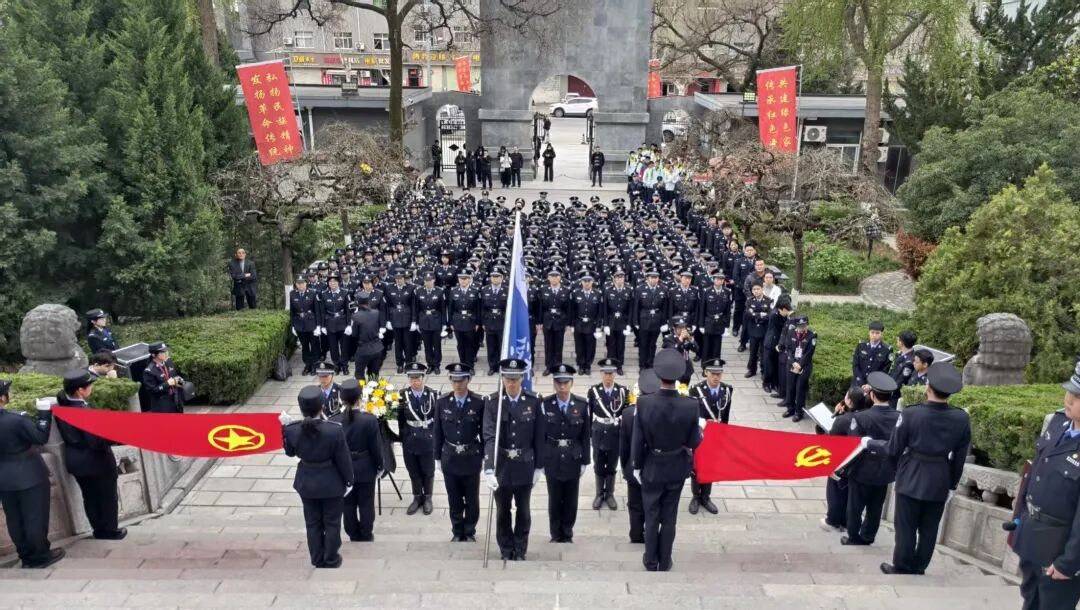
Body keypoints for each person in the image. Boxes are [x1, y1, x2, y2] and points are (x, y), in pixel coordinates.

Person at [866, 362, 970, 575]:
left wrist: (870, 443)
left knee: (906, 525)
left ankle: (902, 565)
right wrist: (952, 484)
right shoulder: (961, 418)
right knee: (929, 527)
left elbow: (893, 449)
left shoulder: (911, 414)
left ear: (928, 388)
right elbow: (959, 457)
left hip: (912, 473)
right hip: (940, 476)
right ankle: (920, 566)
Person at [1012, 358, 1080, 609]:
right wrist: (1019, 520)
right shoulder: (1058, 422)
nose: (1069, 399)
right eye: (1070, 391)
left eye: (1077, 396)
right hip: (1032, 538)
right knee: (1029, 600)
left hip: (1059, 550)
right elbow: (1034, 475)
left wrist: (1069, 562)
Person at [630, 349, 703, 571]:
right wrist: (700, 430)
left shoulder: (644, 403)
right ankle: (665, 561)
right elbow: (693, 442)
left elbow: (638, 440)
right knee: (670, 516)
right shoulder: (691, 405)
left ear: (658, 376)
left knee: (651, 515)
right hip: (676, 467)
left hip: (652, 465)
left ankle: (650, 560)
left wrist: (637, 466)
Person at [280, 386, 354, 568]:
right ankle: (331, 558)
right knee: (332, 522)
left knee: (312, 523)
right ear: (322, 407)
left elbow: (290, 452)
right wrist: (349, 480)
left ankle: (316, 558)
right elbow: (343, 459)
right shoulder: (334, 430)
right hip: (331, 482)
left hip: (307, 481)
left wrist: (285, 428)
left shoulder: (293, 430)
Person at [483, 357, 544, 561]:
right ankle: (506, 548)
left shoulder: (534, 401)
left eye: (515, 379)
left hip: (524, 464)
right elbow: (489, 436)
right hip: (502, 464)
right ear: (502, 379)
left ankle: (520, 548)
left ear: (522, 378)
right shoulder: (493, 402)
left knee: (523, 511)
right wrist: (489, 467)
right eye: (508, 379)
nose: (511, 383)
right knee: (503, 511)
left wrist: (539, 467)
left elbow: (539, 435)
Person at [0, 379, 65, 568]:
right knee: (34, 517)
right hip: (29, 475)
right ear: (3, 398)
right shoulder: (17, 419)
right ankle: (40, 556)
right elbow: (40, 437)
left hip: (3, 479)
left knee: (15, 519)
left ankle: (25, 556)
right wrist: (44, 414)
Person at [55, 370, 126, 541]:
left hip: (78, 462)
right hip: (97, 462)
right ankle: (110, 531)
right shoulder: (82, 410)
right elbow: (95, 441)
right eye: (90, 386)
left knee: (90, 498)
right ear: (80, 390)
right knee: (107, 497)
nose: (92, 388)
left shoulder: (63, 407)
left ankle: (98, 530)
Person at [843, 372, 901, 547]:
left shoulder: (861, 417)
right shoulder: (899, 417)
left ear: (872, 395)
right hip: (885, 469)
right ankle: (868, 536)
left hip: (862, 469)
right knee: (876, 506)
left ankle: (853, 536)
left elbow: (852, 445)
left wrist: (845, 469)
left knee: (855, 506)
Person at [434, 363, 485, 542]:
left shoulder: (478, 402)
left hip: (471, 457)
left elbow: (484, 432)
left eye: (461, 380)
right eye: (454, 380)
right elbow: (437, 431)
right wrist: (437, 457)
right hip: (450, 457)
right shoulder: (442, 402)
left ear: (468, 380)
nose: (457, 385)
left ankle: (469, 530)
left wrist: (485, 456)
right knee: (454, 498)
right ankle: (457, 531)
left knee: (472, 499)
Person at [330, 379, 383, 542]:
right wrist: (380, 466)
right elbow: (376, 447)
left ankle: (353, 533)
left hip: (344, 468)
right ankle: (366, 533)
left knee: (348, 504)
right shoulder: (369, 420)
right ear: (360, 398)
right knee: (366, 503)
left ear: (342, 400)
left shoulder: (335, 420)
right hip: (365, 466)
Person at [541, 364, 590, 543]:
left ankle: (567, 532)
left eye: (565, 382)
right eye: (559, 382)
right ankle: (555, 533)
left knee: (571, 499)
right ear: (554, 383)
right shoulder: (545, 404)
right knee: (554, 499)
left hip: (573, 456)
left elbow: (585, 435)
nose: (562, 386)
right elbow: (541, 435)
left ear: (571, 383)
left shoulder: (582, 405)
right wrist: (541, 460)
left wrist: (585, 460)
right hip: (552, 457)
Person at [821, 387, 871, 534]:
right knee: (852, 495)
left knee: (836, 492)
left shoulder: (843, 420)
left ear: (849, 401)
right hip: (860, 464)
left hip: (842, 463)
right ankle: (848, 521)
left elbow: (831, 438)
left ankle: (833, 520)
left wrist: (837, 415)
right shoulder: (867, 417)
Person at [686, 358, 731, 515]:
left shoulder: (727, 390)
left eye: (719, 374)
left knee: (710, 465)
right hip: (700, 434)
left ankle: (706, 497)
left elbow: (725, 415)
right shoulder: (696, 390)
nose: (716, 377)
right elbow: (691, 415)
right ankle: (696, 496)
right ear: (706, 373)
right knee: (696, 466)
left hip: (716, 436)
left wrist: (724, 433)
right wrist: (704, 422)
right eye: (713, 374)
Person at [621, 369, 658, 544]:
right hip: (655, 467)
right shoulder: (662, 413)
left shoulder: (628, 413)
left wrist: (625, 466)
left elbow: (624, 447)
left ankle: (636, 535)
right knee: (652, 505)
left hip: (634, 464)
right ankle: (650, 536)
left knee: (635, 504)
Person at [588, 359, 629, 510]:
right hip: (599, 432)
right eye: (605, 373)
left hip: (615, 433)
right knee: (598, 464)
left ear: (615, 374)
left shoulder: (623, 391)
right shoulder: (594, 391)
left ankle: (610, 494)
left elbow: (626, 414)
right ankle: (599, 494)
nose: (608, 377)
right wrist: (589, 434)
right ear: (601, 374)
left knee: (612, 465)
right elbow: (589, 414)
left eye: (611, 373)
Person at [399, 363, 438, 516]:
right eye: (412, 378)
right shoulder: (403, 395)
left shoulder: (433, 395)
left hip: (427, 437)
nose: (415, 382)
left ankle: (428, 497)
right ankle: (417, 497)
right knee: (413, 470)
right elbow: (400, 419)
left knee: (428, 470)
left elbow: (436, 419)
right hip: (410, 438)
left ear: (423, 378)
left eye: (418, 378)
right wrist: (403, 436)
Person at [632, 270, 668, 369]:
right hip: (644, 320)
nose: (654, 279)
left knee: (652, 344)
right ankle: (642, 364)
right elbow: (636, 306)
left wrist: (664, 322)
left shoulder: (663, 289)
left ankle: (650, 363)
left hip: (656, 320)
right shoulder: (640, 289)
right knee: (643, 344)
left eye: (656, 277)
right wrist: (635, 321)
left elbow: (664, 307)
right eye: (652, 277)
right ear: (647, 278)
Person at [782, 316, 815, 423]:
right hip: (792, 364)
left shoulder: (811, 336)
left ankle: (798, 412)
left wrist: (800, 364)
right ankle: (790, 408)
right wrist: (793, 362)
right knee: (790, 387)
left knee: (800, 389)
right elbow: (788, 349)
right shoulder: (791, 332)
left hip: (804, 366)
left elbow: (808, 353)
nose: (802, 328)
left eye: (804, 326)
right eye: (800, 326)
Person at [318, 274, 351, 375]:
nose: (332, 283)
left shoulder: (345, 293)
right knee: (333, 346)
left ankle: (344, 365)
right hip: (330, 323)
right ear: (328, 283)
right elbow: (322, 312)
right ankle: (336, 365)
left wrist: (349, 324)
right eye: (330, 281)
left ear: (338, 282)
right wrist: (322, 326)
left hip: (342, 322)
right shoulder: (324, 294)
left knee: (344, 346)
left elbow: (348, 310)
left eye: (335, 281)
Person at [384, 270, 416, 375]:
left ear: (404, 278)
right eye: (397, 278)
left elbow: (413, 305)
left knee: (408, 343)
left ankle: (409, 363)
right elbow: (387, 305)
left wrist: (413, 321)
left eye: (400, 278)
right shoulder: (389, 288)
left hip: (406, 318)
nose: (398, 280)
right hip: (395, 318)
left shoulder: (411, 288)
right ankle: (399, 364)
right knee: (397, 344)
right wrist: (388, 320)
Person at [448, 271, 482, 369]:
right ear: (458, 279)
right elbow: (450, 308)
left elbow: (478, 308)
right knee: (460, 345)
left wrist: (477, 322)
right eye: (461, 279)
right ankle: (462, 364)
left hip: (470, 321)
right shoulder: (454, 291)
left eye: (465, 278)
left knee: (470, 345)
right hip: (457, 321)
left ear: (469, 279)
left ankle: (470, 366)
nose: (463, 281)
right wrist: (450, 323)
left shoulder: (475, 291)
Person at [414, 272, 446, 374]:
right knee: (427, 345)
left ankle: (436, 365)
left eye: (430, 280)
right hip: (424, 321)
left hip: (436, 320)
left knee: (437, 345)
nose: (428, 282)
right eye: (426, 281)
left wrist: (444, 324)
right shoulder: (419, 291)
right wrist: (416, 322)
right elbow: (416, 308)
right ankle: (430, 365)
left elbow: (443, 309)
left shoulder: (439, 291)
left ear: (434, 280)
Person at [570, 273, 603, 375]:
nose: (587, 283)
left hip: (591, 324)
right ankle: (581, 365)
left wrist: (598, 326)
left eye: (589, 281)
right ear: (581, 282)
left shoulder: (597, 294)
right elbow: (572, 310)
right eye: (585, 281)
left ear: (592, 282)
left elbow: (600, 312)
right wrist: (572, 324)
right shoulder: (576, 293)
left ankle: (588, 365)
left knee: (590, 346)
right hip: (579, 323)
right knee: (579, 346)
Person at [539, 270, 570, 375]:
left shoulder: (565, 290)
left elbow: (568, 308)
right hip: (547, 321)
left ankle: (557, 366)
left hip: (560, 321)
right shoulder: (543, 289)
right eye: (552, 276)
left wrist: (567, 323)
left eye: (556, 276)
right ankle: (548, 366)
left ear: (560, 278)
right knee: (548, 346)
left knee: (558, 346)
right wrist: (540, 322)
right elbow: (541, 307)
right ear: (548, 278)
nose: (554, 278)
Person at [348, 291, 385, 381]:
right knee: (374, 374)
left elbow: (354, 334)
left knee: (359, 374)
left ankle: (362, 389)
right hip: (377, 347)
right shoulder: (376, 312)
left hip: (363, 349)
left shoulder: (356, 316)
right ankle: (373, 389)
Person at [601, 270, 633, 373]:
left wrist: (629, 324)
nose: (620, 279)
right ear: (614, 279)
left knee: (621, 345)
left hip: (622, 322)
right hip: (611, 321)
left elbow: (630, 309)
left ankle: (619, 365)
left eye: (622, 277)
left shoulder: (628, 290)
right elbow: (605, 309)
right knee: (611, 345)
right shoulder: (608, 290)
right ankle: (611, 364)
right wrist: (605, 324)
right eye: (618, 277)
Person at [698, 272, 731, 364]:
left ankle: (715, 364)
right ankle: (705, 365)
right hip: (709, 321)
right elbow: (702, 309)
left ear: (723, 281)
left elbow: (728, 310)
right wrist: (701, 325)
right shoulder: (707, 291)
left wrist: (727, 325)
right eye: (717, 279)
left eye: (721, 279)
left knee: (717, 345)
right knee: (706, 346)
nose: (719, 281)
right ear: (713, 280)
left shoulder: (727, 292)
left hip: (720, 321)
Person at [763, 295, 793, 394]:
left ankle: (774, 382)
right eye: (785, 309)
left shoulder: (782, 314)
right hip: (771, 343)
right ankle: (766, 383)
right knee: (768, 364)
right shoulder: (774, 314)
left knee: (776, 364)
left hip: (779, 343)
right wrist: (789, 318)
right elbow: (784, 326)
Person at [290, 275, 320, 375]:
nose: (300, 285)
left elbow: (317, 310)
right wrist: (293, 325)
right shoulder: (292, 294)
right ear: (296, 284)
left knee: (314, 345)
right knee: (305, 346)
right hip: (299, 324)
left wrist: (318, 326)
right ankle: (307, 365)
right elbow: (292, 311)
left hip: (311, 324)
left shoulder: (312, 293)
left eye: (302, 283)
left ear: (306, 283)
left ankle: (315, 365)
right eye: (298, 283)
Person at [480, 269, 508, 376]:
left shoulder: (506, 290)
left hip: (501, 321)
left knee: (501, 345)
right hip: (489, 321)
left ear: (501, 278)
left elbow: (508, 307)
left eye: (497, 277)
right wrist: (483, 322)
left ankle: (501, 366)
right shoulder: (485, 290)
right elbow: (482, 308)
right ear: (490, 278)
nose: (495, 279)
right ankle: (492, 366)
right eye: (493, 277)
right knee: (491, 346)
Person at [852, 320, 892, 392]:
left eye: (877, 333)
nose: (874, 335)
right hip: (858, 383)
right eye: (872, 332)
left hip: (874, 386)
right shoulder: (861, 346)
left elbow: (884, 370)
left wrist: (871, 385)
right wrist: (861, 383)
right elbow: (855, 365)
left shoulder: (886, 350)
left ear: (882, 334)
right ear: (869, 332)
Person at [143, 342, 183, 413]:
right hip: (162, 404)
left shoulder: (169, 362)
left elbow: (175, 376)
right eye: (162, 352)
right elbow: (152, 390)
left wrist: (180, 382)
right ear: (154, 355)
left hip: (175, 400)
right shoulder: (149, 371)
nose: (166, 353)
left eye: (166, 351)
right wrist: (167, 384)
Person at [743, 282, 771, 379]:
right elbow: (748, 314)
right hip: (753, 329)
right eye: (754, 289)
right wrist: (761, 314)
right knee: (753, 351)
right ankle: (752, 369)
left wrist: (755, 314)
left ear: (762, 289)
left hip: (764, 330)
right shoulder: (749, 301)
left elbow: (769, 316)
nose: (756, 291)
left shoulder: (768, 301)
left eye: (758, 289)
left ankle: (763, 371)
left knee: (763, 352)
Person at [889, 330, 918, 406]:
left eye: (898, 339)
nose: (897, 340)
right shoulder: (900, 353)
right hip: (889, 386)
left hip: (895, 395)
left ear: (901, 343)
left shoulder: (910, 362)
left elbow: (901, 380)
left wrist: (887, 391)